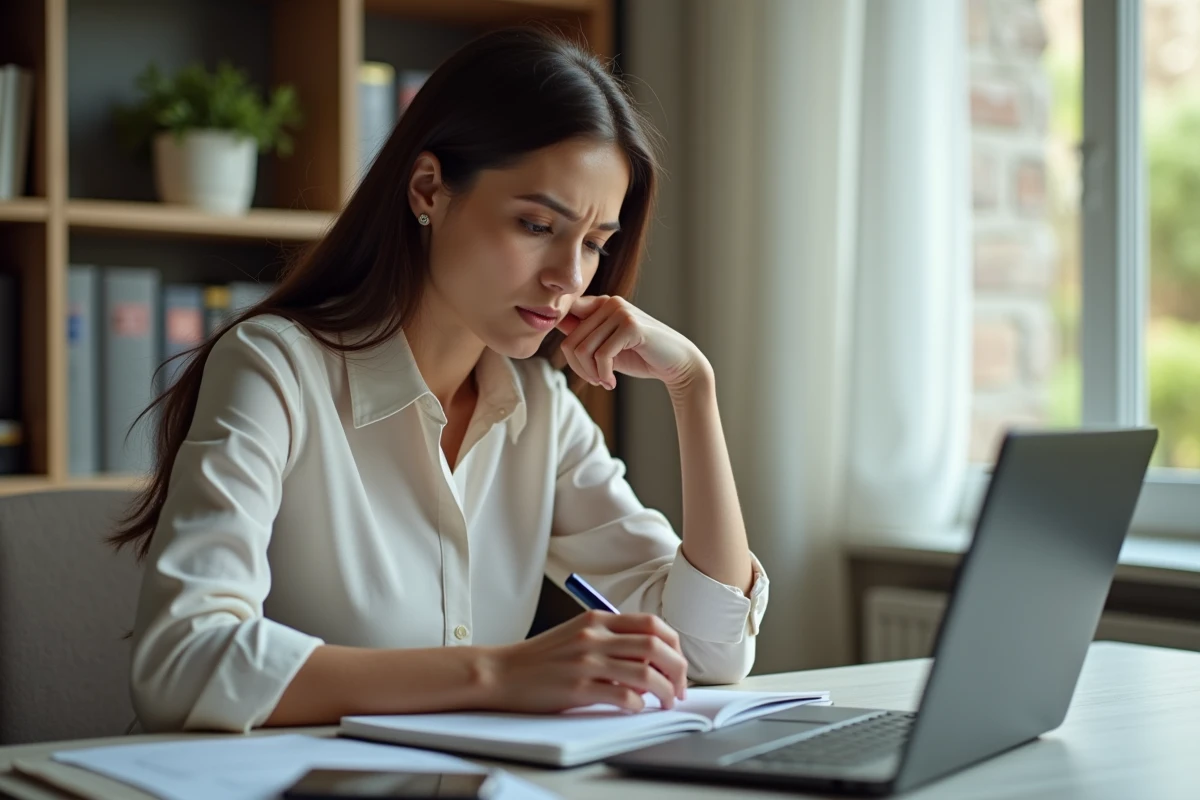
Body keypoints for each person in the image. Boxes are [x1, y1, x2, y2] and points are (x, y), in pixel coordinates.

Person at [111, 26, 768, 734]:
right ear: (429, 188)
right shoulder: (276, 368)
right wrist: (499, 674)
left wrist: (692, 387)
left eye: (594, 244)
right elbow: (181, 663)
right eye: (536, 224)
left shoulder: (540, 412)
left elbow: (709, 651)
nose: (568, 277)